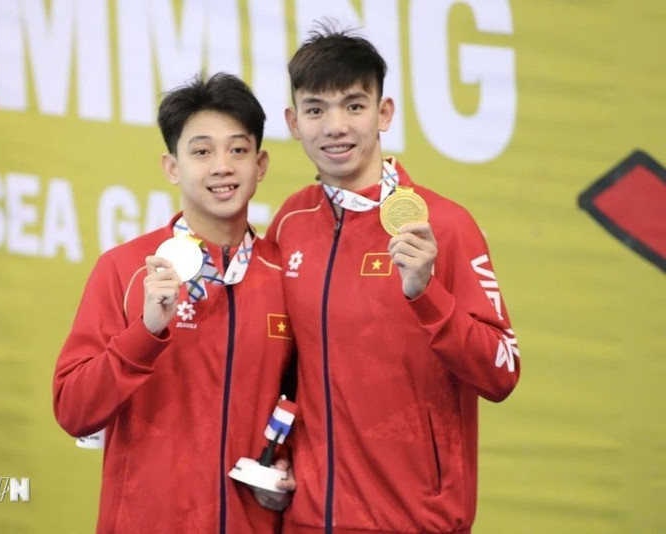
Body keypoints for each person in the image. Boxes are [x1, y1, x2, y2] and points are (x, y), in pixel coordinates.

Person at [266, 23, 521, 533]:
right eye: (316, 110)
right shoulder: (289, 223)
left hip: (415, 520)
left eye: (354, 106)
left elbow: (502, 372)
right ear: (294, 122)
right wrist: (275, 453)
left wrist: (427, 296)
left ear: (384, 113)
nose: (335, 126)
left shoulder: (444, 225)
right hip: (308, 520)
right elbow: (281, 366)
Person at [53, 72, 294, 533]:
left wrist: (287, 461)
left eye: (237, 150)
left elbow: (309, 406)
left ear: (260, 165)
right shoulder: (125, 270)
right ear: (172, 166)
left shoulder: (285, 276)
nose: (222, 166)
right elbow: (73, 410)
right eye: (201, 151)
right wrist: (144, 334)